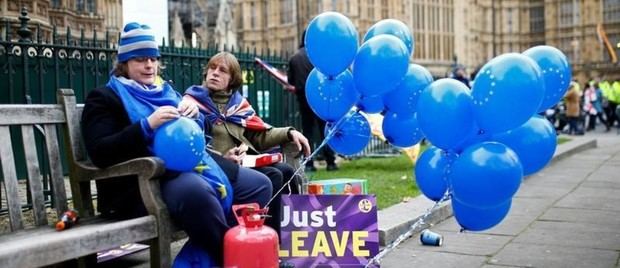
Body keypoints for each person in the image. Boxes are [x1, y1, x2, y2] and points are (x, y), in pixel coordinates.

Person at [81, 22, 272, 266]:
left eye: (153, 58)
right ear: (124, 63)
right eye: (140, 59)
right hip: (144, 183)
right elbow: (100, 152)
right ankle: (234, 258)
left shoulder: (167, 92)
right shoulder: (104, 97)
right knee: (197, 193)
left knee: (260, 185)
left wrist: (197, 117)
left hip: (191, 168)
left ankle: (208, 254)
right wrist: (146, 126)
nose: (149, 65)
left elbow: (195, 136)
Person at [183, 51, 310, 238]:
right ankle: (268, 239)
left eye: (222, 70)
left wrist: (289, 132)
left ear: (232, 79)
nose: (215, 73)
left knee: (287, 171)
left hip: (244, 164)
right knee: (274, 174)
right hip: (215, 169)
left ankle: (292, 235)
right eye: (212, 68)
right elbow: (192, 145)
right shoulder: (192, 103)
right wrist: (223, 158)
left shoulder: (238, 105)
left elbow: (259, 136)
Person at [287, 30, 339, 172]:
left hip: (303, 98)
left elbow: (290, 80)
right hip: (320, 98)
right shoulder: (318, 56)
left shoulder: (294, 58)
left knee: (307, 131)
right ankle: (331, 162)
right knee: (324, 130)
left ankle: (309, 163)